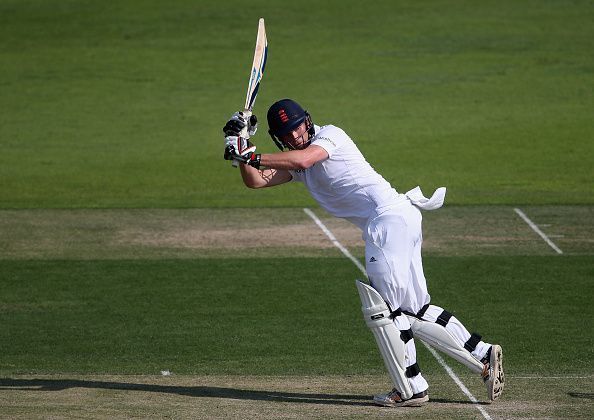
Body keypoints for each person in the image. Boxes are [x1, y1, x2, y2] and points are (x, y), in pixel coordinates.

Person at [222, 99, 504, 407]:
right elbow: (256, 181)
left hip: (388, 221)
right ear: (280, 137)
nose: (295, 136)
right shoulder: (295, 159)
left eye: (298, 127)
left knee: (384, 311)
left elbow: (303, 160)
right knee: (414, 310)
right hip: (399, 220)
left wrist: (254, 154)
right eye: (287, 134)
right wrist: (240, 146)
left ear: (307, 121)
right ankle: (483, 353)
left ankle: (410, 388)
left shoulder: (331, 136)